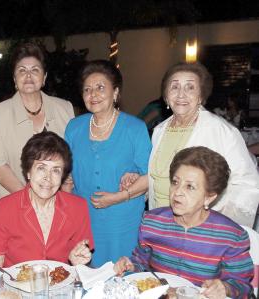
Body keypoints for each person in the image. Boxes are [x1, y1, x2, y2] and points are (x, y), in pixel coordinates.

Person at [115, 147, 254, 299]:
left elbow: (242, 285)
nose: (177, 192)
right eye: (175, 182)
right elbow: (140, 262)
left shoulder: (231, 236)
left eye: (190, 186)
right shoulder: (152, 222)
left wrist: (225, 287)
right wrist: (131, 265)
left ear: (209, 197)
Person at [147, 62, 259, 227]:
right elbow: (157, 178)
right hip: (161, 225)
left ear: (201, 96)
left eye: (190, 87)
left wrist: (215, 222)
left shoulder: (220, 130)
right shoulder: (159, 131)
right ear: (166, 96)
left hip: (201, 229)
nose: (181, 94)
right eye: (175, 87)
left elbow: (248, 183)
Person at [64, 60, 151, 267]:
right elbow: (66, 174)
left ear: (115, 92)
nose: (93, 94)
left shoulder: (135, 128)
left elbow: (150, 176)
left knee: (125, 281)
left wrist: (118, 197)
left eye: (100, 87)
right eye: (87, 89)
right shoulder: (74, 127)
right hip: (84, 221)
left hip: (123, 221)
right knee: (88, 280)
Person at [0, 132, 93, 278]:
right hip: (18, 289)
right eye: (41, 168)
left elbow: (81, 257)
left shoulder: (77, 207)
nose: (48, 177)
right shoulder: (3, 208)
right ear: (28, 171)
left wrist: (78, 262)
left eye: (56, 170)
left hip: (62, 287)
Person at [0, 42, 74, 199]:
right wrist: (30, 198)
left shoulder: (65, 108)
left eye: (35, 70)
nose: (28, 76)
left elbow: (72, 157)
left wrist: (64, 193)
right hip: (16, 200)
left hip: (58, 200)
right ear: (14, 78)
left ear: (44, 77)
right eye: (22, 70)